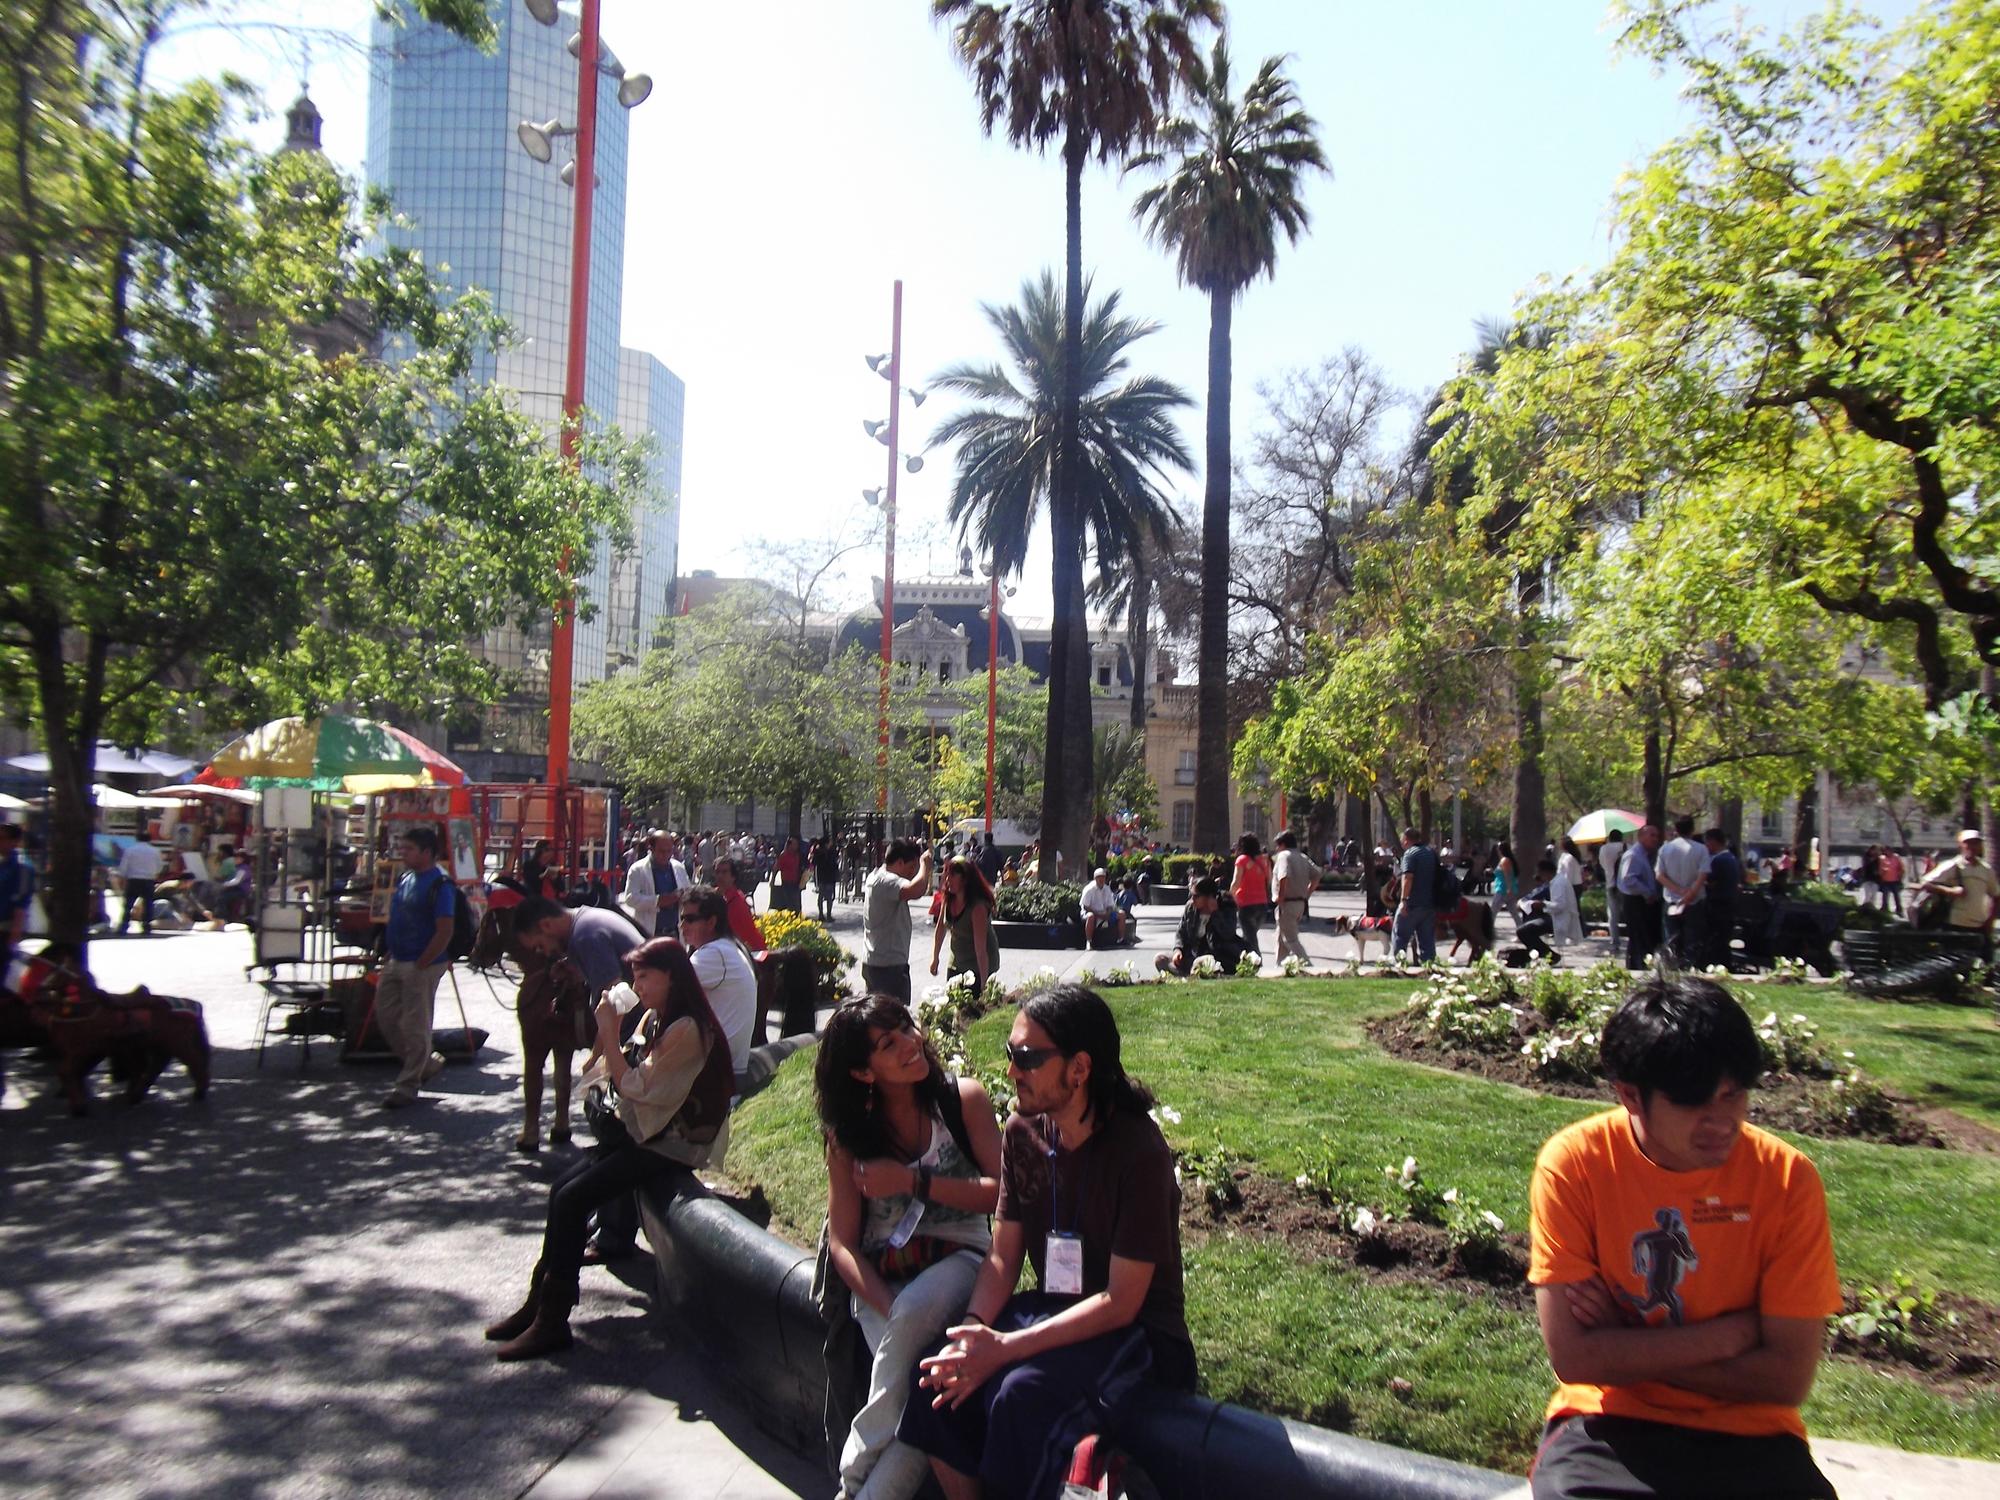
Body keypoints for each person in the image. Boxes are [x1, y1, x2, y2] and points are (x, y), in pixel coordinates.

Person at [1528, 974, 1841, 1500]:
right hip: (1607, 1422)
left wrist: (1626, 1346)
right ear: (1629, 1094)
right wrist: (1733, 1337)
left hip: (1753, 1431)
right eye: (1694, 1101)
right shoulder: (1576, 1164)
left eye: (1734, 1094)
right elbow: (1578, 1360)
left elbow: (1786, 1379)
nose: (1722, 1120)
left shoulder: (1786, 1178)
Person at [899, 985, 1195, 1500]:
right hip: (1055, 1310)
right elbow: (1004, 1251)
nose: (1012, 1071)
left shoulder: (1138, 1152)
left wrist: (1005, 1349)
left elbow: (1122, 1301)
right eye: (1011, 1055)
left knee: (1020, 1396)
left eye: (1027, 1058)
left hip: (1142, 1335)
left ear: (1080, 1069)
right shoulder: (1023, 1132)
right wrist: (972, 1332)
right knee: (936, 1374)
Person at [485, 938, 737, 1362]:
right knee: (562, 1189)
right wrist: (610, 1036)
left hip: (673, 1142)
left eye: (645, 976)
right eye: (634, 977)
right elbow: (621, 1068)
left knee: (573, 1198)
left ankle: (553, 1320)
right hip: (646, 1130)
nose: (637, 986)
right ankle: (538, 1303)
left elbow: (639, 1086)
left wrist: (607, 1030)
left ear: (672, 976)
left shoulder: (688, 1028)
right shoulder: (657, 1016)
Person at [818, 997, 1004, 1500]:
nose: (910, 1042)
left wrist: (910, 1181)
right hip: (884, 1282)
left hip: (957, 1257)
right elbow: (843, 1242)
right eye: (888, 1043)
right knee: (925, 1393)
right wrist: (888, 1306)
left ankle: (850, 1481)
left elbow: (1003, 1195)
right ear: (862, 1072)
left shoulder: (960, 1100)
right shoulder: (849, 1136)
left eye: (906, 1026)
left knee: (917, 1329)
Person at [375, 828, 457, 1110]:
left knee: (415, 1023)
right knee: (386, 1015)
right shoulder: (406, 878)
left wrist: (425, 960)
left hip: (422, 963)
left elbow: (445, 929)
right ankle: (425, 1064)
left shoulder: (440, 884)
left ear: (426, 852)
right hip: (397, 958)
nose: (403, 853)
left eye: (409, 848)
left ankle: (408, 1085)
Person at [676, 885, 762, 1073]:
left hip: (717, 1071)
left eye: (690, 919)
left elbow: (664, 991)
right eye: (682, 919)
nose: (683, 926)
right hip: (723, 1062)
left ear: (711, 922)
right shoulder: (728, 946)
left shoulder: (714, 954)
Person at [863, 840, 935, 1004]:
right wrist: (925, 865)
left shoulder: (876, 876)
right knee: (892, 1019)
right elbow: (916, 890)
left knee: (880, 1017)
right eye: (912, 867)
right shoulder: (886, 880)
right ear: (900, 862)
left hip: (881, 962)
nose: (913, 873)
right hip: (887, 966)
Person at [1915, 829, 2000, 950]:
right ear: (1961, 844)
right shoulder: (1952, 865)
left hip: (1980, 925)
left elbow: (1996, 895)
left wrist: (1990, 921)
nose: (1972, 846)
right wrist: (1949, 891)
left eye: (1976, 843)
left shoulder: (1986, 869)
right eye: (1968, 843)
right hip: (1955, 924)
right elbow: (1924, 883)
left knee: (1984, 964)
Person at [929, 857, 1000, 993]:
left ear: (966, 879)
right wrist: (935, 958)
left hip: (979, 965)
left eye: (953, 875)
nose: (947, 879)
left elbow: (981, 949)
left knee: (974, 1009)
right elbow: (940, 929)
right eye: (946, 874)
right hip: (957, 961)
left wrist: (984, 985)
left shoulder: (977, 907)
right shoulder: (948, 899)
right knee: (953, 1002)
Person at [1153, 878, 1245, 977]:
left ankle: (1194, 976)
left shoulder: (1226, 908)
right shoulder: (1190, 909)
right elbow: (1181, 931)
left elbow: (1228, 934)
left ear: (1208, 897)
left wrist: (1215, 914)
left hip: (1217, 958)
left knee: (1202, 962)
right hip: (1192, 956)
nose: (1192, 900)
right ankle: (1190, 977)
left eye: (1196, 896)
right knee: (1160, 959)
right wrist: (1178, 950)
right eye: (1191, 895)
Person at [1655, 816, 1711, 968]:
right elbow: (1703, 874)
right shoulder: (1701, 849)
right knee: (1692, 940)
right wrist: (1690, 893)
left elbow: (1659, 875)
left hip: (1672, 899)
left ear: (1676, 830)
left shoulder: (1665, 849)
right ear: (1693, 829)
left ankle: (1672, 969)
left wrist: (1678, 890)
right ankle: (1691, 970)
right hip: (1695, 901)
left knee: (1671, 940)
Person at [621, 830, 688, 940]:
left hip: (674, 932)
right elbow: (630, 898)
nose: (666, 855)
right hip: (650, 932)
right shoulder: (638, 869)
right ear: (651, 848)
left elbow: (687, 891)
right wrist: (658, 901)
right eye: (661, 851)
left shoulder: (678, 868)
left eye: (669, 851)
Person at [1270, 829, 1321, 965]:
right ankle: (1279, 966)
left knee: (1290, 939)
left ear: (1283, 845)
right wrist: (1307, 894)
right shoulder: (1302, 857)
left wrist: (1280, 897)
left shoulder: (1283, 856)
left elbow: (1283, 876)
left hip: (1286, 903)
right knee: (1281, 938)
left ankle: (1309, 966)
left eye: (1278, 845)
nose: (1276, 849)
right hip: (1299, 903)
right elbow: (1317, 876)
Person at [1617, 825, 1664, 970]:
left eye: (1657, 835)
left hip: (1643, 902)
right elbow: (1628, 879)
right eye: (1652, 835)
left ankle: (1639, 965)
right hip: (1636, 902)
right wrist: (1647, 893)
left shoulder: (1644, 855)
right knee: (1639, 936)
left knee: (1643, 937)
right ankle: (1639, 967)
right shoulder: (1634, 855)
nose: (1655, 839)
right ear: (1641, 836)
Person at [1393, 827, 1438, 965]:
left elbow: (1408, 877)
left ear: (1406, 840)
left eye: (1402, 839)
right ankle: (1429, 967)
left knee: (1400, 934)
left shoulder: (1410, 854)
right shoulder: (1431, 853)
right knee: (1427, 940)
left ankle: (1400, 964)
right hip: (1429, 903)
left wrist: (1403, 900)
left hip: (1412, 903)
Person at [709, 856, 768, 953]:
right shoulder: (719, 895)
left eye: (724, 872)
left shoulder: (735, 902)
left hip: (752, 954)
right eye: (717, 872)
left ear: (733, 876)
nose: (720, 876)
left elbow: (734, 938)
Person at [1701, 828, 1742, 969]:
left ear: (1712, 842)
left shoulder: (1718, 861)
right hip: (1729, 906)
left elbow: (1709, 881)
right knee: (1723, 940)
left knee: (1716, 940)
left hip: (1717, 906)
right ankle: (1724, 965)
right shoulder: (1731, 858)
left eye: (1706, 842)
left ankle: (1718, 965)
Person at [0, 823, 35, 984]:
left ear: (15, 841)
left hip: (5, 929)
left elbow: (21, 905)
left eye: (2, 838)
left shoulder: (22, 868)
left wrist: (13, 939)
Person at [1228, 833, 1273, 957]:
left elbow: (1235, 883)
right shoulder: (1264, 860)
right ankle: (1245, 959)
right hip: (1262, 904)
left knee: (1250, 938)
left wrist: (1231, 896)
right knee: (1249, 935)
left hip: (1246, 904)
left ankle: (1256, 961)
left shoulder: (1242, 860)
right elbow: (1269, 880)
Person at [114, 835, 163, 936]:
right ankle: (146, 926)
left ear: (137, 839)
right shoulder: (155, 851)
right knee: (148, 904)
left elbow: (124, 866)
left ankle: (124, 925)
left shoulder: (130, 850)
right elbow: (159, 867)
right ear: (150, 840)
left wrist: (122, 877)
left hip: (134, 880)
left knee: (129, 904)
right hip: (149, 880)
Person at [1516, 859, 1562, 962]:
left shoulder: (1557, 884)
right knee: (1525, 923)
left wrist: (1542, 904)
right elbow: (1528, 898)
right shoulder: (1549, 884)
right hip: (1550, 915)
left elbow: (1560, 906)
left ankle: (1550, 956)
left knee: (1523, 931)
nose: (1538, 876)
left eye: (1540, 873)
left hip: (1556, 918)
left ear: (1545, 872)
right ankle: (1536, 954)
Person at [1079, 867, 1124, 949]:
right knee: (1090, 916)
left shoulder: (1107, 889)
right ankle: (1089, 942)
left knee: (1121, 914)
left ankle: (1121, 939)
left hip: (1104, 913)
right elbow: (1085, 906)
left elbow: (1110, 905)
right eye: (1099, 877)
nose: (1101, 879)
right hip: (1090, 913)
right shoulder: (1089, 889)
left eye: (1103, 877)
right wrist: (1098, 915)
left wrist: (1108, 913)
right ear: (1095, 878)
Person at [1598, 829, 1627, 945]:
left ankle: (1615, 940)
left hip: (1611, 884)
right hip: (1626, 885)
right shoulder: (1626, 846)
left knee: (1613, 915)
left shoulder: (1604, 849)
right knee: (1629, 913)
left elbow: (1602, 864)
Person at [813, 836, 842, 922]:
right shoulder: (830, 852)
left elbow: (814, 863)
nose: (831, 843)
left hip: (821, 877)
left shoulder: (818, 852)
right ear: (826, 843)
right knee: (829, 897)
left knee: (821, 896)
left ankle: (821, 914)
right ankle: (828, 915)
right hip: (829, 877)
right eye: (830, 842)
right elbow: (834, 861)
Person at [1876, 844, 1905, 917]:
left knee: (1896, 896)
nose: (1887, 852)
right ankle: (1884, 908)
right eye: (1886, 851)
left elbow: (1901, 868)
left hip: (1895, 880)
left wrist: (1900, 876)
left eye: (1888, 850)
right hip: (1885, 880)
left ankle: (1899, 909)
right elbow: (1880, 868)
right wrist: (1882, 872)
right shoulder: (1882, 858)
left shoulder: (1896, 857)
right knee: (1885, 895)